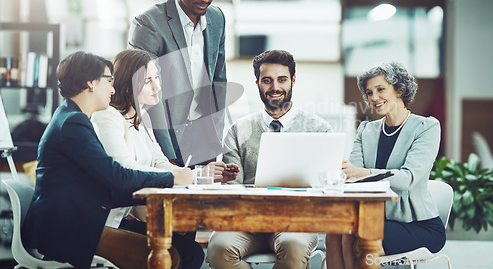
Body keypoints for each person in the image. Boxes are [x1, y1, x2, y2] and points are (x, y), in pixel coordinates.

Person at [21, 51, 192, 269]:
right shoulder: (73, 123)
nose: (113, 89)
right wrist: (171, 179)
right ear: (91, 83)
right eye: (109, 81)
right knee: (170, 256)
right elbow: (116, 176)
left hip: (72, 223)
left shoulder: (71, 117)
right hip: (65, 232)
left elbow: (106, 179)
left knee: (180, 248)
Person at [91, 49, 239, 268]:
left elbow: (160, 162)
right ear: (127, 85)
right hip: (107, 222)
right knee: (181, 253)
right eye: (148, 81)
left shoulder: (143, 118)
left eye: (156, 78)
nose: (158, 87)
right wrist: (182, 177)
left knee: (192, 250)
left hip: (126, 217)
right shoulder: (108, 117)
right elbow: (125, 167)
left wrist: (201, 174)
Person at [206, 50, 332, 269]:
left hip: (296, 224)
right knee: (219, 248)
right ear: (257, 83)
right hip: (246, 222)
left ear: (293, 80)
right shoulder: (239, 130)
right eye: (267, 80)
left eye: (282, 79)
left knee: (294, 247)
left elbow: (326, 190)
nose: (275, 87)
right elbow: (232, 187)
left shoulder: (319, 129)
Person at [325, 62, 446, 269]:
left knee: (359, 240)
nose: (374, 98)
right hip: (374, 218)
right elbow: (353, 175)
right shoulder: (366, 129)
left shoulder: (426, 127)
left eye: (381, 89)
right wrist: (344, 172)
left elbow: (407, 178)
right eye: (370, 92)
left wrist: (364, 173)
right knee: (335, 234)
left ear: (399, 89)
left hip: (418, 225)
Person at [128, 0, 227, 167]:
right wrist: (166, 155)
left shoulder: (217, 19)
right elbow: (146, 94)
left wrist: (214, 141)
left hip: (203, 137)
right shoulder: (149, 24)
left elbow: (218, 84)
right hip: (167, 136)